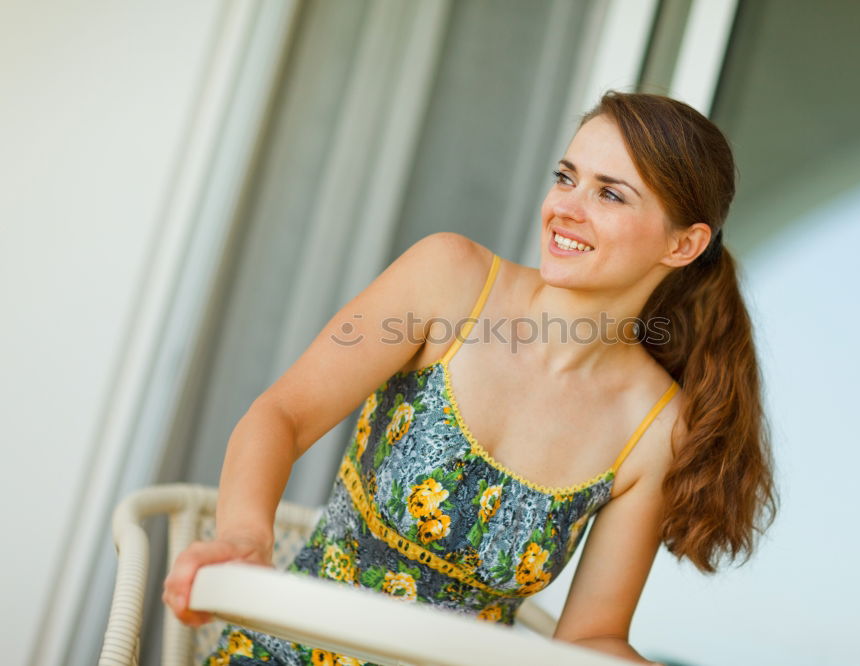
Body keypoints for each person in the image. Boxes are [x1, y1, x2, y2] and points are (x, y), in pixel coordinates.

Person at [162, 89, 779, 666]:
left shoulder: (656, 427)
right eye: (566, 178)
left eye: (609, 194)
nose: (565, 207)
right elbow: (283, 415)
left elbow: (591, 637)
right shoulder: (450, 280)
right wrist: (244, 536)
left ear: (683, 244)